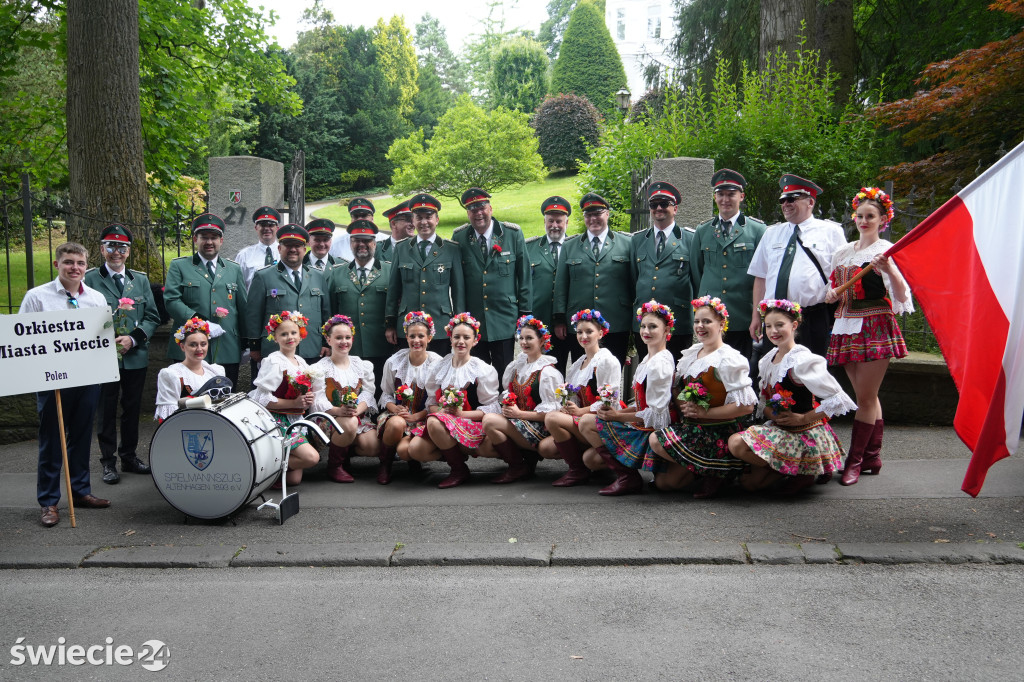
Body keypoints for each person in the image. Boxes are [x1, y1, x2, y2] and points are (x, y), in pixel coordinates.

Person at [824, 187, 913, 485]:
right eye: (860, 216)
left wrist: (890, 270)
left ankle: (855, 460)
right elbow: (832, 287)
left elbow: (901, 295)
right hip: (845, 324)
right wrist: (830, 293)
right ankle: (873, 456)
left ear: (883, 220)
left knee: (865, 397)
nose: (864, 221)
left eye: (870, 216)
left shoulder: (885, 251)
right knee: (868, 397)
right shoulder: (842, 252)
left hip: (875, 324)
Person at [20, 242, 111, 527]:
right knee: (52, 439)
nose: (75, 268)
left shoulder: (96, 299)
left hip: (86, 378)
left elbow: (101, 339)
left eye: (80, 263)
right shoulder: (37, 298)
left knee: (82, 437)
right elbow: (22, 338)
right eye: (69, 262)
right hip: (52, 380)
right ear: (57, 264)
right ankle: (48, 501)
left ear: (87, 267)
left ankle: (80, 491)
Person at [727, 299, 857, 495]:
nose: (773, 331)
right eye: (769, 326)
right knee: (748, 483)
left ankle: (803, 470)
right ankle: (795, 469)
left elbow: (837, 399)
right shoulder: (767, 359)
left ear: (794, 325)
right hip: (782, 430)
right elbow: (765, 402)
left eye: (780, 325)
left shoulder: (802, 360)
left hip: (804, 433)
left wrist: (803, 418)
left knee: (737, 443)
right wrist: (773, 414)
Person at [648, 297, 757, 499]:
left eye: (707, 321)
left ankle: (718, 472)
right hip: (695, 428)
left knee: (656, 440)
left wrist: (704, 412)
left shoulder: (729, 358)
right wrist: (685, 407)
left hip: (720, 430)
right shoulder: (691, 354)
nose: (700, 326)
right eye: (697, 321)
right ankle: (704, 470)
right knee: (665, 483)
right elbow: (678, 389)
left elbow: (746, 407)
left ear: (721, 324)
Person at [84, 224, 161, 484]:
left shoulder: (138, 280)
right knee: (105, 410)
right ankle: (108, 461)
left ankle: (129, 456)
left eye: (122, 247)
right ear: (102, 249)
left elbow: (152, 316)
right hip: (103, 356)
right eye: (111, 246)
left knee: (132, 408)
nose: (116, 252)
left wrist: (133, 338)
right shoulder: (90, 279)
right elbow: (82, 317)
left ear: (128, 251)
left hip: (135, 355)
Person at [578, 300, 677, 496]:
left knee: (587, 421)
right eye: (643, 326)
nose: (646, 331)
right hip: (643, 424)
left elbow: (657, 417)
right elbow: (643, 405)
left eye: (653, 326)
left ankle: (628, 478)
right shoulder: (649, 360)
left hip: (654, 430)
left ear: (666, 330)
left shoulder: (660, 363)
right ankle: (627, 476)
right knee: (590, 459)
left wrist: (617, 417)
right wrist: (619, 412)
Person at [747, 174, 847, 358]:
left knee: (811, 373)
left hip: (812, 316)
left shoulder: (831, 232)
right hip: (775, 316)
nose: (786, 204)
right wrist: (756, 317)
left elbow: (842, 274)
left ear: (810, 202)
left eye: (792, 199)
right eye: (782, 200)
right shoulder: (772, 233)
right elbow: (760, 276)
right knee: (775, 373)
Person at [407, 313, 500, 488]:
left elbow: (492, 408)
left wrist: (460, 414)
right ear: (450, 339)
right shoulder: (439, 366)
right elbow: (432, 403)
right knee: (415, 449)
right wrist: (441, 413)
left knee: (434, 423)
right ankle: (455, 458)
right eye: (456, 337)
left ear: (475, 340)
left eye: (466, 337)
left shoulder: (482, 369)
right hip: (444, 424)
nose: (461, 342)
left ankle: (457, 469)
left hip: (471, 423)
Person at [451, 187, 531, 373]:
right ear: (467, 213)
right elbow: (458, 281)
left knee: (505, 372)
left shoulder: (512, 234)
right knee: (476, 373)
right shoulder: (460, 237)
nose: (478, 213)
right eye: (472, 209)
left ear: (490, 208)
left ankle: (506, 402)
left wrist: (525, 313)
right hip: (474, 319)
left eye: (482, 208)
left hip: (504, 318)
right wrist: (461, 318)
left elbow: (524, 276)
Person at [164, 213, 247, 389]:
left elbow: (243, 307)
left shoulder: (233, 269)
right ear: (195, 239)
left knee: (225, 399)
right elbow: (171, 300)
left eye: (214, 237)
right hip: (189, 346)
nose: (209, 242)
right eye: (204, 237)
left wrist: (247, 341)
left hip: (226, 347)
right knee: (188, 400)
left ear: (221, 240)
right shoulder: (180, 266)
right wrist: (202, 324)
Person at [690, 169, 767, 359]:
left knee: (741, 370)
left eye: (731, 194)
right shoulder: (703, 230)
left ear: (741, 196)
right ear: (715, 197)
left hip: (742, 315)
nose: (725, 199)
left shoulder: (757, 230)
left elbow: (763, 273)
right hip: (710, 317)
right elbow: (696, 271)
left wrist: (757, 314)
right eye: (721, 194)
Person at [541, 309, 622, 487]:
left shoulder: (606, 360)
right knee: (546, 447)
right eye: (579, 332)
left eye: (589, 332)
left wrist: (579, 411)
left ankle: (578, 470)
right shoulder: (578, 364)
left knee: (552, 418)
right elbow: (575, 398)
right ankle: (581, 466)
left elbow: (610, 402)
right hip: (582, 419)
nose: (583, 336)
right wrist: (569, 407)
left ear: (600, 333)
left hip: (603, 420)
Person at [478, 315, 563, 484]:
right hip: (520, 422)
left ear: (541, 341)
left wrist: (518, 414)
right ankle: (524, 460)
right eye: (521, 338)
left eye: (529, 338)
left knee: (489, 421)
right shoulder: (517, 366)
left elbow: (553, 413)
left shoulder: (548, 372)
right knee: (486, 443)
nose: (524, 342)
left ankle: (518, 467)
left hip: (539, 426)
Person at [553, 193, 634, 360]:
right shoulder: (570, 246)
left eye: (597, 214)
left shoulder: (627, 243)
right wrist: (560, 319)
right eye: (588, 215)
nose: (593, 219)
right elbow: (561, 285)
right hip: (580, 325)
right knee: (582, 374)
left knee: (611, 376)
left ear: (607, 214)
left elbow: (633, 282)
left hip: (616, 322)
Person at [384, 193, 465, 356]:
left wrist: (459, 324)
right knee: (408, 375)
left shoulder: (451, 249)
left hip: (440, 325)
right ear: (413, 221)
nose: (424, 222)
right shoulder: (401, 249)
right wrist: (390, 324)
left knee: (438, 375)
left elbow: (458, 291)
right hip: (407, 326)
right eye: (418, 217)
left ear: (437, 219)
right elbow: (393, 289)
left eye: (428, 217)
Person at [248, 311, 321, 487]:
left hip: (296, 417)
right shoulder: (274, 361)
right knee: (312, 458)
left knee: (293, 480)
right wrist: (294, 403)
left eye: (293, 333)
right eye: (283, 334)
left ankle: (271, 471)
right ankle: (264, 466)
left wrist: (307, 398)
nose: (290, 337)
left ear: (301, 335)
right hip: (277, 419)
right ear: (275, 338)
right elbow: (261, 398)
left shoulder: (301, 362)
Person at [247, 224, 331, 366]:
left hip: (312, 348)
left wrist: (325, 343)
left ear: (304, 249)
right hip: (276, 350)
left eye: (297, 246)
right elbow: (253, 314)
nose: (293, 249)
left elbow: (326, 312)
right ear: (279, 248)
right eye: (288, 245)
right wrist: (255, 346)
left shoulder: (317, 276)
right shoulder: (263, 276)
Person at [310, 315, 379, 483]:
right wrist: (339, 411)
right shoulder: (320, 368)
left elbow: (368, 393)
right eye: (338, 338)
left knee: (373, 447)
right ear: (328, 339)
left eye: (347, 337)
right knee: (349, 423)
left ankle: (344, 449)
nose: (344, 342)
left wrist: (358, 410)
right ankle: (335, 466)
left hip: (355, 416)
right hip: (330, 418)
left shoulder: (361, 365)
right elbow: (317, 400)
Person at [630, 181, 696, 357]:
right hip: (645, 324)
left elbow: (696, 280)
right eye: (654, 204)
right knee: (645, 376)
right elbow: (633, 278)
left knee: (676, 376)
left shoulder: (690, 239)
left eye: (664, 204)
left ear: (675, 209)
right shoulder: (637, 240)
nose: (658, 208)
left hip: (677, 324)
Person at [376, 311, 442, 484]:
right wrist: (395, 409)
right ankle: (385, 464)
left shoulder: (437, 363)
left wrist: (416, 416)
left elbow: (437, 401)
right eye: (412, 336)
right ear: (406, 337)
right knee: (397, 423)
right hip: (397, 417)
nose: (416, 340)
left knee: (406, 450)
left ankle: (414, 461)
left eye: (421, 336)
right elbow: (386, 393)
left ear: (429, 338)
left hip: (424, 418)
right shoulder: (394, 362)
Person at [327, 219, 393, 388]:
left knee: (380, 391)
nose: (361, 244)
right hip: (349, 348)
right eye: (357, 240)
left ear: (375, 244)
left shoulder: (390, 271)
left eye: (367, 240)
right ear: (350, 243)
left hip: (381, 346)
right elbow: (331, 310)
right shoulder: (337, 273)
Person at [525, 196, 573, 372]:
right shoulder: (529, 247)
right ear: (544, 221)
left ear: (566, 222)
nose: (554, 225)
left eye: (559, 221)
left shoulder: (575, 245)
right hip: (539, 319)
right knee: (537, 369)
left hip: (568, 321)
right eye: (550, 220)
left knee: (566, 368)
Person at [155, 317, 226, 422]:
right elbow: (169, 417)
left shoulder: (215, 371)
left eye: (203, 344)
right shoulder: (172, 374)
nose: (199, 349)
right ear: (183, 347)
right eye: (193, 345)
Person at [329, 197, 389, 262]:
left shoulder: (386, 242)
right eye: (355, 216)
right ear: (351, 219)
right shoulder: (337, 244)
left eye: (364, 216)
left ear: (372, 218)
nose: (360, 219)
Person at [235, 205, 280, 290]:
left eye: (271, 225)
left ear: (277, 228)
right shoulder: (244, 255)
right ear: (256, 228)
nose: (267, 228)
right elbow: (238, 286)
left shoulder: (284, 253)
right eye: (262, 225)